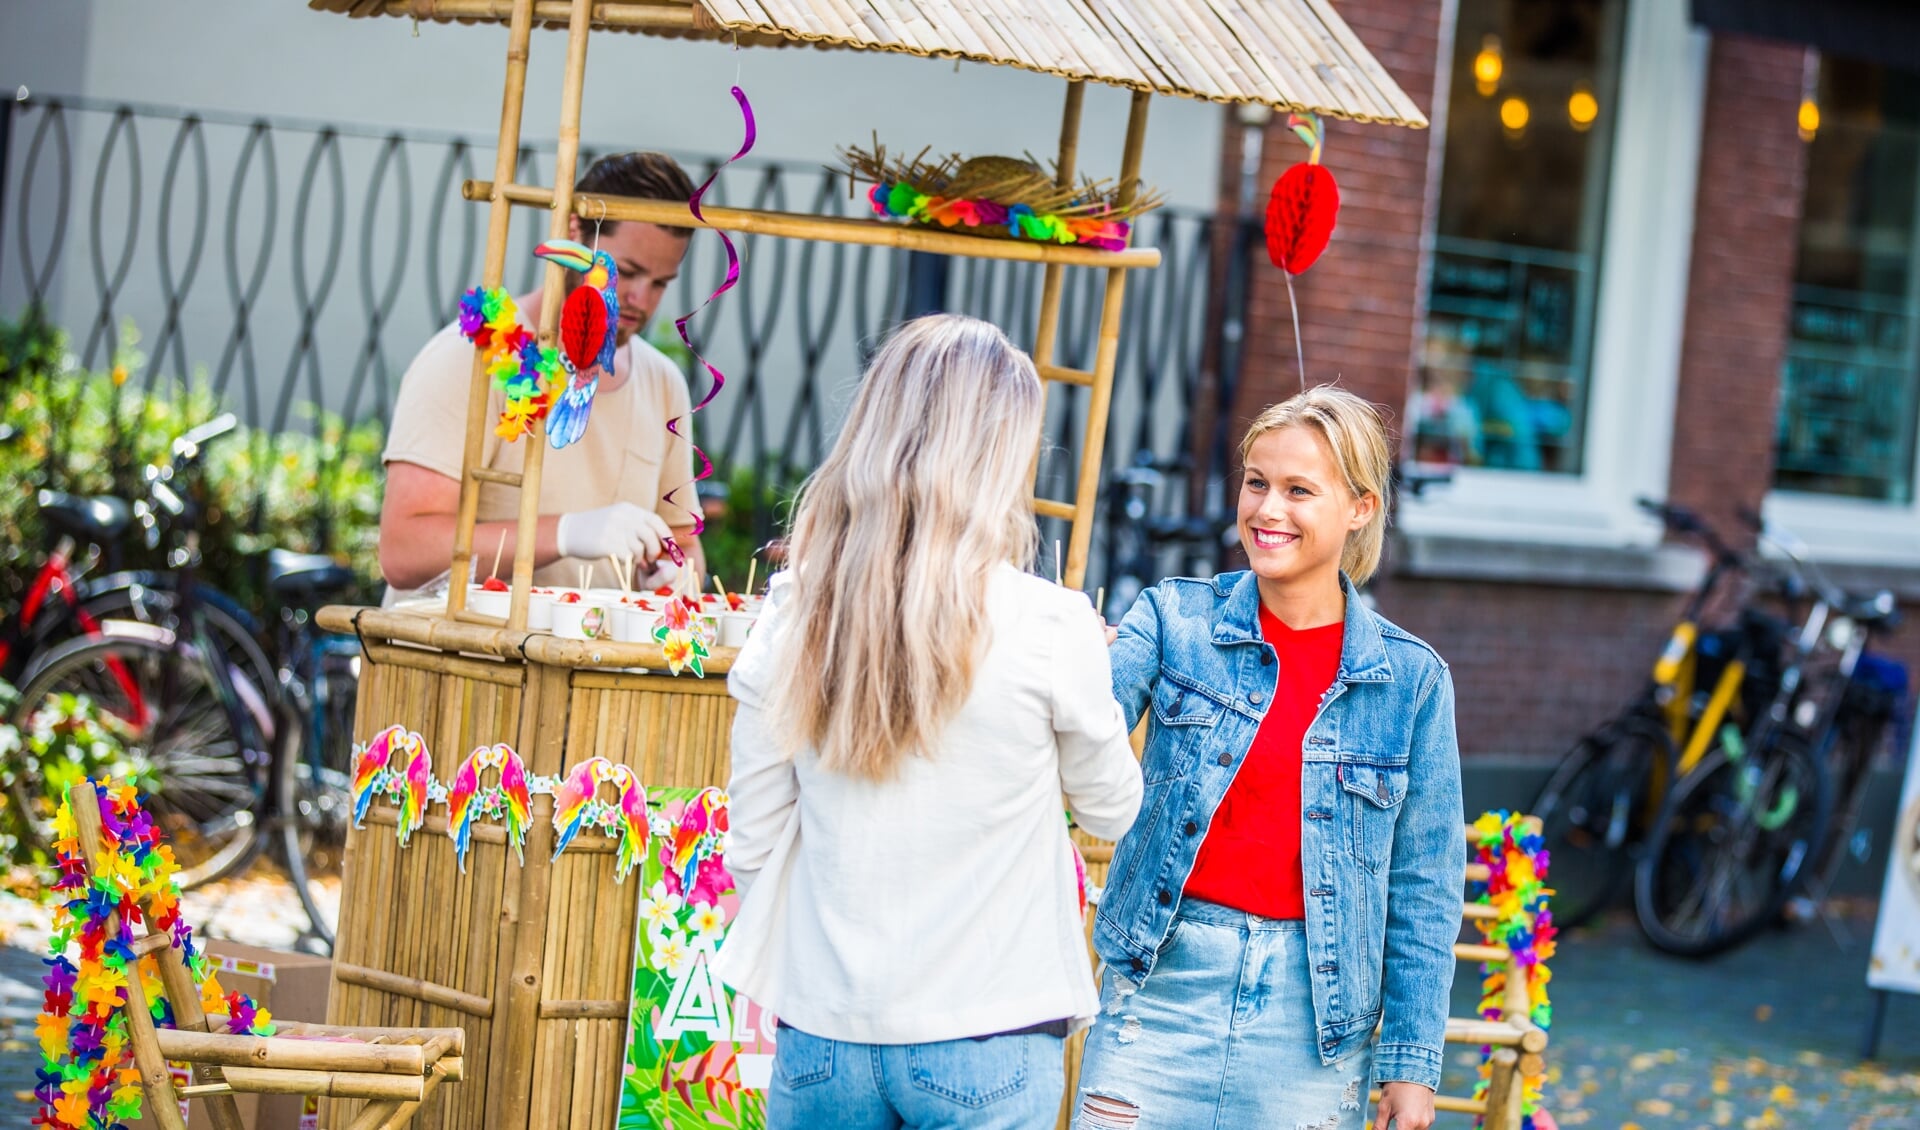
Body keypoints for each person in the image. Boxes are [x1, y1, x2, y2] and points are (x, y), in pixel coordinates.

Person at [717, 314, 1144, 1130]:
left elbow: (753, 841)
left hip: (824, 1034)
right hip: (990, 1029)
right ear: (998, 459)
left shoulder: (793, 611)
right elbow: (1113, 810)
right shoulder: (1051, 626)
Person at [1074, 386, 1464, 1130]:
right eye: (1256, 483)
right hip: (1159, 994)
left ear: (1360, 509)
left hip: (1314, 1020)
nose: (1266, 510)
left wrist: (1411, 1066)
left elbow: (1424, 886)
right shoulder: (1173, 620)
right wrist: (1062, 649)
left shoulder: (1412, 683)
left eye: (1298, 491)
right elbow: (1085, 724)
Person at [378, 152, 706, 600]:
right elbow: (403, 551)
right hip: (470, 666)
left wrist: (679, 572)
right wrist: (566, 534)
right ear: (574, 234)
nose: (640, 299)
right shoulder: (470, 356)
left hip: (597, 667)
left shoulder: (664, 382)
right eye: (626, 272)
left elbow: (683, 539)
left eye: (661, 283)